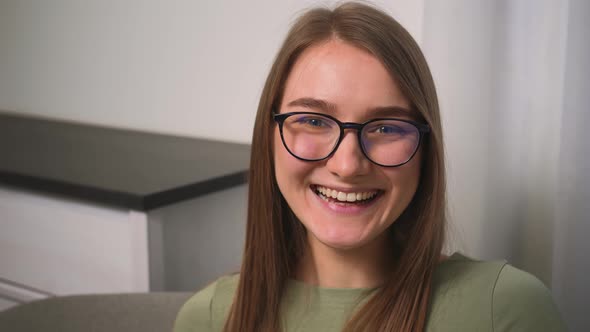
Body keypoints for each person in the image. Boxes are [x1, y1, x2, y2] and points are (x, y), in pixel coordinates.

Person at [174, 2, 566, 331]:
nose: (347, 165)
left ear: (427, 150)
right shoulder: (207, 318)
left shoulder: (506, 309)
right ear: (269, 137)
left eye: (385, 127)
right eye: (313, 121)